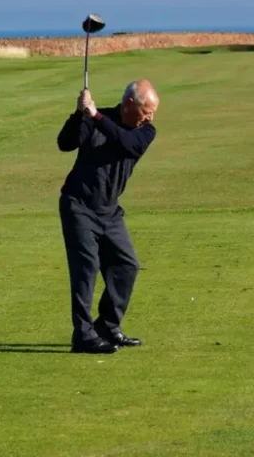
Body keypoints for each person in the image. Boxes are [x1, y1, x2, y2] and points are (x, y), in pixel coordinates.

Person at [56, 79, 160, 354]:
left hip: (110, 211)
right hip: (78, 206)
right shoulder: (94, 117)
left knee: (127, 265)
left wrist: (95, 115)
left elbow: (127, 144)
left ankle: (107, 325)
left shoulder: (145, 131)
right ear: (129, 104)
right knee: (86, 269)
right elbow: (66, 143)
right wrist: (79, 114)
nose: (150, 117)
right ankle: (83, 335)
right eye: (146, 110)